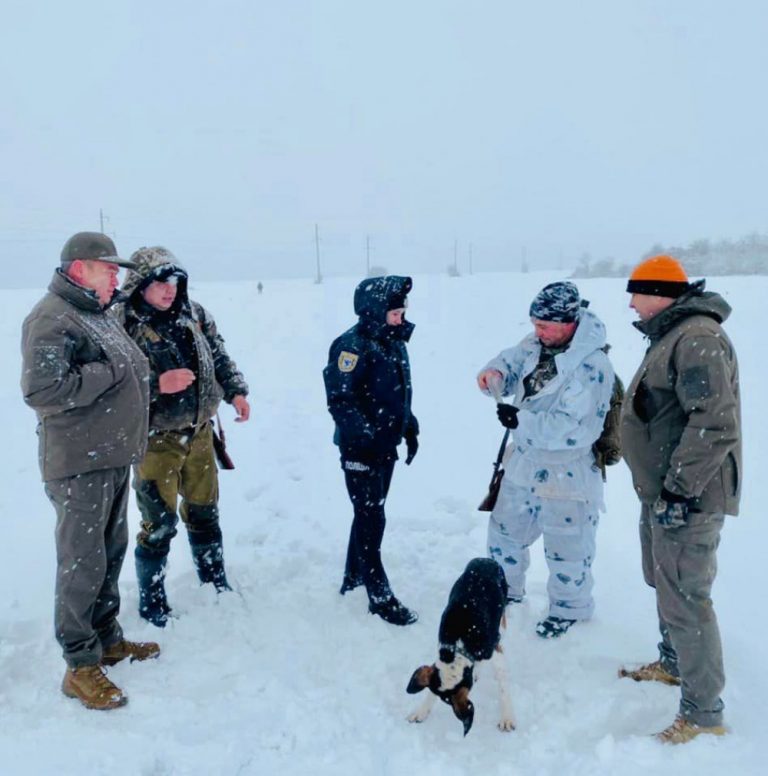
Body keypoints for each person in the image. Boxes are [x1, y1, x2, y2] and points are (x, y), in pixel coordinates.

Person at [21, 232, 160, 711]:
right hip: (80, 465)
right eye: (108, 268)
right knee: (81, 562)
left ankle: (107, 638)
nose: (116, 276)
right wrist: (110, 374)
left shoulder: (95, 313)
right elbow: (43, 391)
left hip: (111, 458)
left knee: (108, 553)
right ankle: (80, 665)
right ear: (79, 267)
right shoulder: (51, 318)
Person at [619, 255, 741, 744]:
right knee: (665, 583)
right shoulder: (674, 334)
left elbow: (714, 424)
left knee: (687, 598)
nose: (631, 303)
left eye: (637, 293)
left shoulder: (697, 339)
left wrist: (678, 490)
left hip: (687, 498)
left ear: (661, 293)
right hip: (664, 492)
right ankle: (673, 663)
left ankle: (703, 714)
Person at [118, 246, 250, 627]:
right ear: (141, 285)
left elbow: (220, 355)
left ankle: (213, 579)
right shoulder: (122, 324)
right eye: (159, 283)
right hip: (155, 440)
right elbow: (112, 386)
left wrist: (236, 391)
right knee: (158, 523)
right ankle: (153, 599)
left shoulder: (195, 315)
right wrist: (156, 384)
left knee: (204, 512)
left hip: (200, 434)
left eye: (174, 282)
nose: (168, 290)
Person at [477, 281, 614, 638]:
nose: (537, 331)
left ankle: (569, 610)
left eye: (545, 325)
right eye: (534, 324)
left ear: (569, 323)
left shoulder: (592, 365)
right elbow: (513, 358)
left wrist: (520, 420)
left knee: (567, 546)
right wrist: (496, 373)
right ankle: (504, 590)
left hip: (566, 472)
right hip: (524, 462)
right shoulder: (536, 343)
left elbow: (575, 429)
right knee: (504, 531)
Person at [323, 275, 419, 626]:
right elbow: (341, 401)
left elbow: (395, 393)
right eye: (394, 313)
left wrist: (408, 424)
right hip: (360, 449)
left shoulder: (391, 341)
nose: (401, 318)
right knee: (371, 517)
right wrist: (367, 438)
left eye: (402, 311)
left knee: (370, 512)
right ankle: (379, 597)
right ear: (374, 311)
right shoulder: (351, 346)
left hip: (385, 445)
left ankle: (354, 576)